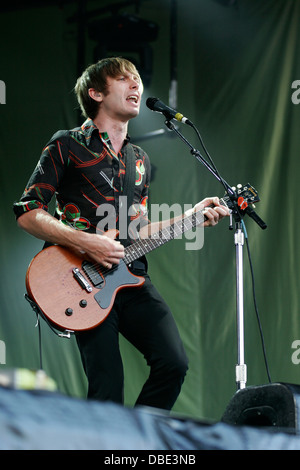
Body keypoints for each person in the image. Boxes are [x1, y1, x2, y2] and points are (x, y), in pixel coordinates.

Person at [13, 57, 229, 411]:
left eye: (137, 79)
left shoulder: (138, 159)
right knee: (107, 384)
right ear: (96, 93)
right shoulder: (67, 144)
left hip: (130, 276)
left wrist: (191, 216)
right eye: (123, 78)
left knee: (174, 364)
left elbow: (137, 229)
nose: (135, 84)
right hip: (81, 278)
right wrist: (88, 242)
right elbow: (27, 212)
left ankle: (137, 442)